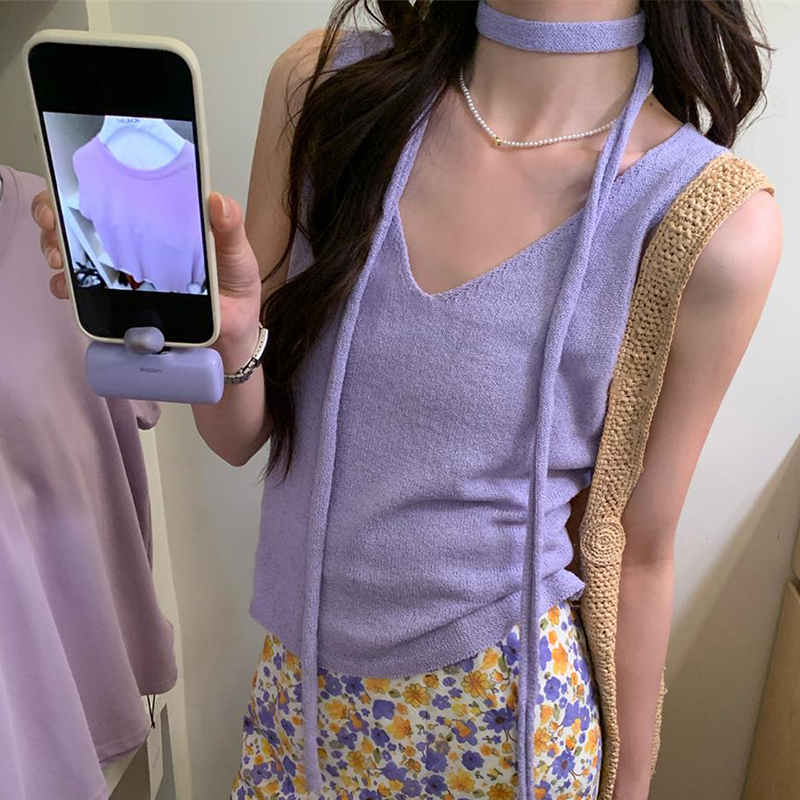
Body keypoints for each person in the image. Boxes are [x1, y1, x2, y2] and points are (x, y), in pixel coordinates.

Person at [33, 1, 782, 798]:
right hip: (300, 714)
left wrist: (628, 791)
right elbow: (238, 434)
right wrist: (229, 340)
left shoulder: (707, 217)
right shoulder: (324, 89)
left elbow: (639, 546)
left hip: (510, 734)